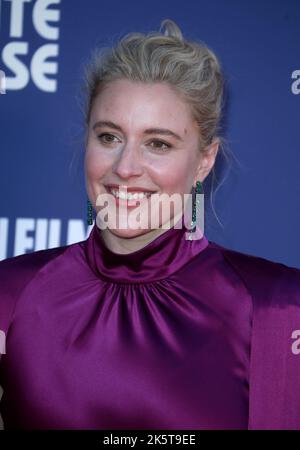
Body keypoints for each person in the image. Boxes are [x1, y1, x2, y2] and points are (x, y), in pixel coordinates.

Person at [0, 18, 300, 431]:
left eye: (158, 143)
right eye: (109, 137)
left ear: (205, 160)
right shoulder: (10, 295)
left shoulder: (278, 307)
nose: (125, 167)